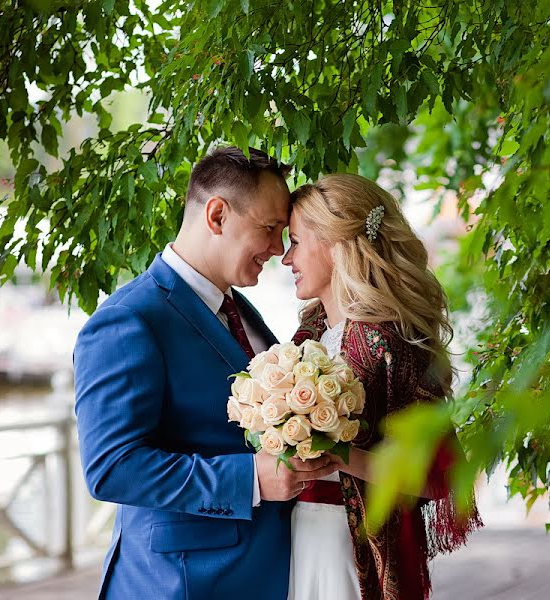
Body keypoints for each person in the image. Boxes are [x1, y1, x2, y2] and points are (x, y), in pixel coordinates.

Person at [73, 147, 338, 599]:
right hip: (180, 583)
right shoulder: (129, 320)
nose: (278, 250)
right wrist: (250, 480)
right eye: (270, 229)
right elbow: (112, 467)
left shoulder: (238, 307)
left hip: (260, 574)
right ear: (217, 215)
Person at [282, 173, 482, 600]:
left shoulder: (395, 345)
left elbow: (432, 480)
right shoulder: (307, 336)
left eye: (295, 241)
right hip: (298, 538)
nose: (286, 258)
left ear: (334, 243)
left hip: (353, 546)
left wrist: (337, 454)